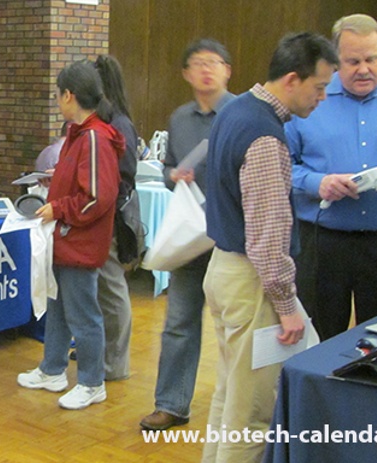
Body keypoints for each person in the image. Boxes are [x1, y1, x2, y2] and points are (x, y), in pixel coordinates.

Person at [203, 32, 338, 463]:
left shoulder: (234, 109)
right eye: (319, 88)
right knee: (252, 416)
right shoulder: (264, 135)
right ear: (293, 79)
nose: (322, 98)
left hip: (224, 271)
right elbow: (267, 233)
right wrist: (286, 303)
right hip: (251, 281)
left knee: (228, 400)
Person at [287, 14, 377, 341]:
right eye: (352, 61)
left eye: (372, 59)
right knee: (317, 339)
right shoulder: (309, 98)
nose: (363, 69)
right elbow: (283, 165)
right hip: (321, 242)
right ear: (333, 59)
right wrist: (318, 183)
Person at [17, 61, 125, 410]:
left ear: (69, 95)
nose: (57, 101)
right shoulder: (78, 134)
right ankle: (53, 370)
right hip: (65, 241)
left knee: (83, 315)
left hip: (79, 243)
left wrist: (58, 208)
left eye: (57, 95)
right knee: (59, 308)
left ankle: (93, 382)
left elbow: (97, 197)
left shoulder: (94, 137)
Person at [140, 38, 234, 431]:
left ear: (228, 70)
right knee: (179, 320)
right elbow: (167, 167)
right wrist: (172, 175)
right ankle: (172, 404)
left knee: (234, 324)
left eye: (214, 63)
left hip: (232, 236)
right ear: (186, 73)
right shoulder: (179, 118)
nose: (206, 70)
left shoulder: (242, 113)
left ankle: (238, 407)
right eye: (198, 63)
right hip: (190, 234)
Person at [94, 54, 139, 381]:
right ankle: (104, 354)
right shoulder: (106, 121)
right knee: (102, 291)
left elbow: (123, 174)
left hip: (112, 218)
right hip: (102, 218)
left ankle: (117, 363)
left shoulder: (118, 124)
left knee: (112, 290)